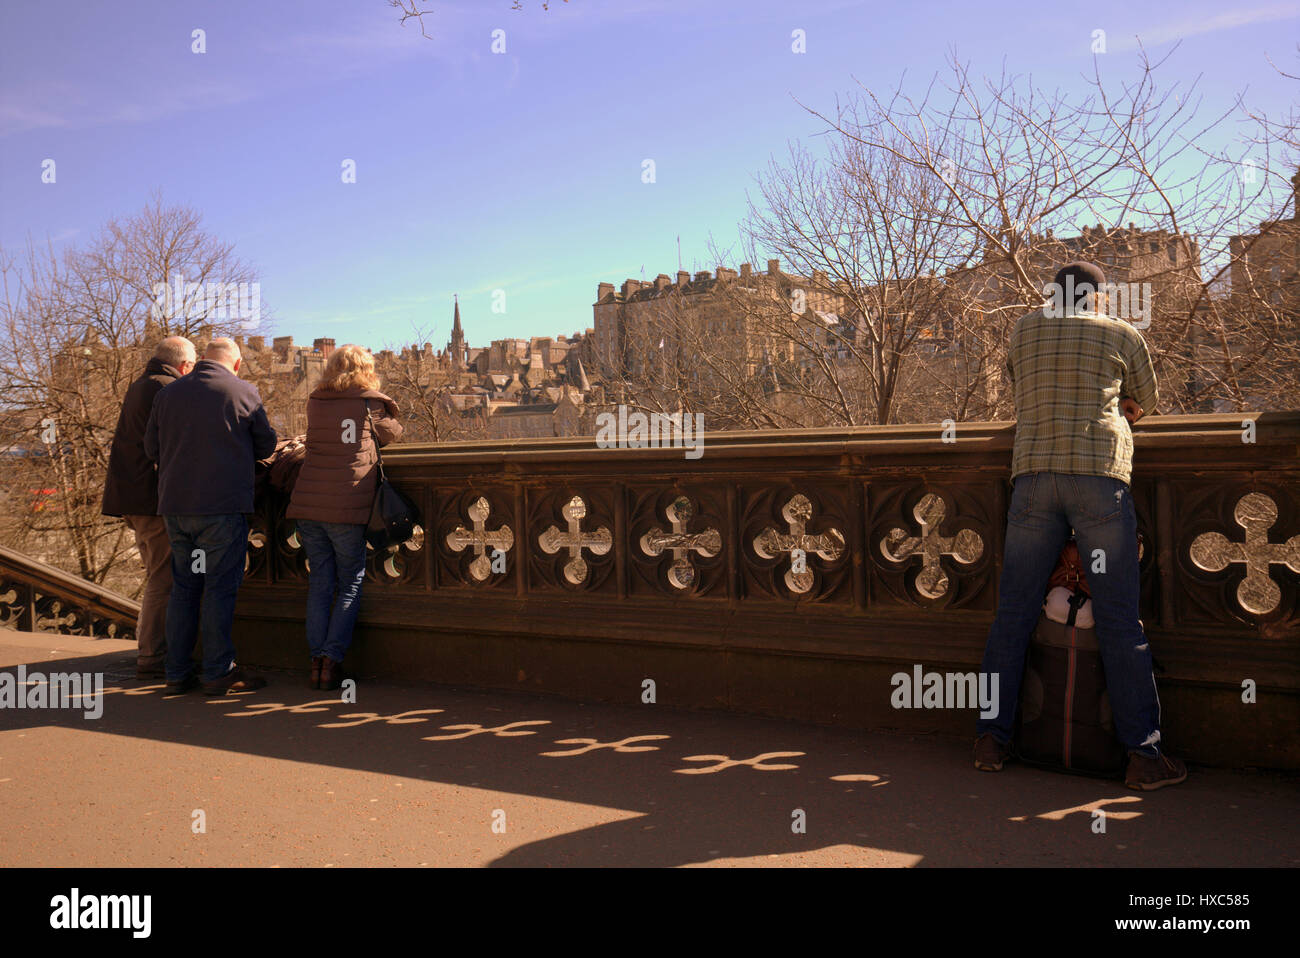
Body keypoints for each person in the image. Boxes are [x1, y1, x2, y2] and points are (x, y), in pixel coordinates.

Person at [973, 261, 1187, 790]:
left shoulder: (1025, 327)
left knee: (1013, 613)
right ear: (1097, 297)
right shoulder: (1120, 332)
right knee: (1118, 618)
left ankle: (991, 739)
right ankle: (1143, 754)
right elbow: (1148, 400)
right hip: (1098, 478)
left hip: (1034, 477)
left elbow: (1017, 379)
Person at [144, 337, 277, 696]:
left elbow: (151, 448)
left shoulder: (168, 394)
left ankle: (176, 672)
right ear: (235, 364)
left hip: (175, 506)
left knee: (185, 589)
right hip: (221, 506)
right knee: (219, 589)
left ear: (202, 360)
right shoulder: (242, 391)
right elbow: (266, 445)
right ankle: (218, 671)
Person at [286, 344, 402, 691]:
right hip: (346, 506)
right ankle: (332, 661)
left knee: (321, 583)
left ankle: (315, 661)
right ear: (365, 370)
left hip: (308, 505)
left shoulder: (316, 401)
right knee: (350, 582)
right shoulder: (368, 402)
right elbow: (392, 433)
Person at [102, 336, 196, 679]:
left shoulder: (144, 384)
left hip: (134, 497)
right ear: (185, 366)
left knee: (158, 575)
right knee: (164, 577)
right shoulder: (165, 388)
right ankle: (153, 656)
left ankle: (152, 650)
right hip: (152, 499)